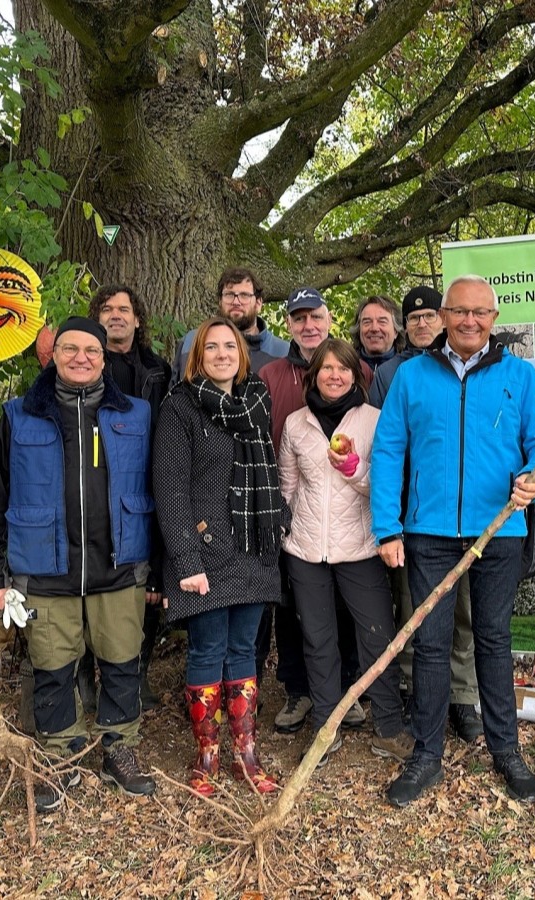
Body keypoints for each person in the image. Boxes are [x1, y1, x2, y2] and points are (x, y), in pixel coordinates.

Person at [371, 274, 535, 807]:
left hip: (498, 530)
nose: (470, 321)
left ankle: (506, 750)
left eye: (480, 312)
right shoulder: (412, 376)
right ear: (444, 317)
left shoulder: (519, 376)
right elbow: (387, 452)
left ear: (493, 319)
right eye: (460, 312)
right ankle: (427, 754)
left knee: (494, 641)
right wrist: (387, 527)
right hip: (428, 533)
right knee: (430, 645)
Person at [0, 317, 157, 813]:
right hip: (46, 566)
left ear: (104, 358)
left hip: (119, 565)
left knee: (122, 661)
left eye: (91, 351)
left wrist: (159, 567)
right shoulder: (19, 416)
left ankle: (119, 745)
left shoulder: (137, 414)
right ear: (53, 355)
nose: (81, 358)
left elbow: (159, 492)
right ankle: (61, 751)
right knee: (53, 666)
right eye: (70, 349)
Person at [154, 317, 286, 795]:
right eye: (212, 347)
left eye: (230, 346)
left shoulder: (256, 401)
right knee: (208, 648)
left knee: (245, 650)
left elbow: (269, 469)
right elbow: (169, 491)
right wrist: (186, 560)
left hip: (253, 548)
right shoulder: (180, 408)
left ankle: (245, 754)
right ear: (197, 356)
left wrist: (280, 521)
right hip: (205, 554)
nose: (222, 354)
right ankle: (206, 755)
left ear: (242, 354)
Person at [278, 338, 412, 764]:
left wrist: (354, 469)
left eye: (344, 368)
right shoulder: (296, 424)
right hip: (305, 549)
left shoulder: (374, 420)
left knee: (376, 636)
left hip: (360, 547)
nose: (335, 376)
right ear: (313, 374)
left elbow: (388, 487)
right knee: (318, 640)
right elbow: (287, 487)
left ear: (357, 374)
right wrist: (286, 536)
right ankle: (325, 728)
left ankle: (389, 726)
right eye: (326, 369)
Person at [370, 286, 483, 743]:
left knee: (465, 613)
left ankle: (462, 696)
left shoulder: (476, 371)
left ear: (444, 319)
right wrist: (388, 522)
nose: (421, 324)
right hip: (410, 517)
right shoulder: (396, 374)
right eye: (412, 318)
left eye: (428, 316)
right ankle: (422, 693)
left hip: (466, 516)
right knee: (416, 612)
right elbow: (385, 445)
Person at [258, 288, 367, 734]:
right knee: (292, 610)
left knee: (340, 611)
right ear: (289, 325)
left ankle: (344, 691)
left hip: (344, 516)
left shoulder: (351, 367)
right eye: (299, 318)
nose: (308, 325)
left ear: (327, 321)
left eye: (315, 316)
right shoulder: (270, 374)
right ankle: (299, 690)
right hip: (292, 511)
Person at [87, 284, 172, 710]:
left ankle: (136, 675)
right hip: (98, 484)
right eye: (107, 309)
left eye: (124, 309)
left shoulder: (159, 370)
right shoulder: (85, 365)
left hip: (149, 481)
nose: (116, 315)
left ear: (138, 320)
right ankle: (93, 677)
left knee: (149, 585)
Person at [173, 267, 287, 377]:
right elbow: (174, 392)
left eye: (244, 295)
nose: (236, 302)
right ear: (220, 301)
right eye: (229, 295)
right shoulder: (190, 342)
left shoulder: (282, 352)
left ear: (258, 303)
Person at [350, 294, 405, 372]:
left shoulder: (407, 369)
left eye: (382, 322)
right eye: (367, 322)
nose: (374, 328)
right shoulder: (346, 366)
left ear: (396, 331)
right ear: (359, 330)